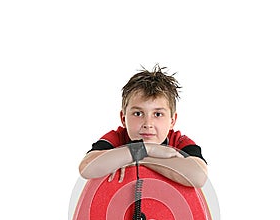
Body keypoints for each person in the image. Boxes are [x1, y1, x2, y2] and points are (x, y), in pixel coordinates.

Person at [79, 65, 208, 187]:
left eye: (157, 114)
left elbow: (199, 176)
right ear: (123, 119)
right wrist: (147, 149)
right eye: (138, 113)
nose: (148, 124)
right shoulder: (117, 138)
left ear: (172, 121)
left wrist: (140, 158)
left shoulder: (179, 141)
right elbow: (86, 168)